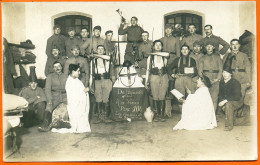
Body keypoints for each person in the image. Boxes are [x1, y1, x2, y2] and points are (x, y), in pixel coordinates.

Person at [38, 61, 67, 132]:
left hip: (65, 95)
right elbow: (47, 89)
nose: (57, 68)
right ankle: (45, 125)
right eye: (55, 67)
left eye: (59, 66)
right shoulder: (50, 77)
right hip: (55, 96)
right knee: (49, 106)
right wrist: (50, 99)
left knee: (74, 105)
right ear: (53, 68)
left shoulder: (66, 76)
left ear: (61, 67)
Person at [89, 45, 115, 123]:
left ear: (104, 51)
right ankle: (99, 117)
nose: (100, 50)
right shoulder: (93, 61)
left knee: (106, 98)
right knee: (98, 98)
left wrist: (113, 82)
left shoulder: (107, 59)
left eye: (102, 49)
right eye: (98, 49)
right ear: (96, 50)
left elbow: (109, 58)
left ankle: (105, 117)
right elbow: (91, 73)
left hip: (106, 80)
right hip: (97, 80)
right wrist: (90, 85)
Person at [145, 40, 169, 122]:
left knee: (162, 95)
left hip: (164, 76)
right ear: (153, 47)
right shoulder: (150, 57)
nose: (158, 46)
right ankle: (156, 115)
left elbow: (167, 54)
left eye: (160, 45)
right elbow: (148, 69)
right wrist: (146, 81)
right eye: (156, 45)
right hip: (154, 77)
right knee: (155, 96)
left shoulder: (164, 56)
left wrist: (154, 53)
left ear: (162, 47)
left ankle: (161, 115)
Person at [64, 64, 91, 133]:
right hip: (74, 106)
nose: (79, 73)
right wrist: (84, 91)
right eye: (78, 71)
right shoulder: (69, 82)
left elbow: (80, 90)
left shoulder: (77, 80)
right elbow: (73, 96)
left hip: (79, 105)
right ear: (73, 71)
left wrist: (85, 90)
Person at [198, 40, 223, 111]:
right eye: (207, 46)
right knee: (205, 98)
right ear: (205, 48)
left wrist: (217, 79)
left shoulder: (217, 58)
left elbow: (221, 69)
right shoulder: (202, 58)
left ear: (213, 47)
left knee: (214, 98)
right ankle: (206, 115)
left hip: (215, 79)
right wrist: (205, 80)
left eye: (210, 46)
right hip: (205, 79)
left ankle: (213, 116)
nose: (209, 48)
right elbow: (200, 71)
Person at [218, 61, 243, 131]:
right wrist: (221, 102)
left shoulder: (235, 82)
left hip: (238, 101)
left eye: (226, 72)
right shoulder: (221, 82)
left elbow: (237, 96)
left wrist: (225, 101)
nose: (224, 74)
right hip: (228, 101)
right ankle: (232, 119)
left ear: (231, 74)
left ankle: (229, 126)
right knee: (227, 105)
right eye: (223, 72)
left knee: (228, 105)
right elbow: (220, 94)